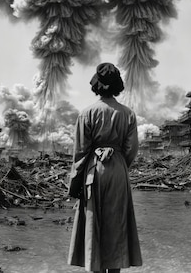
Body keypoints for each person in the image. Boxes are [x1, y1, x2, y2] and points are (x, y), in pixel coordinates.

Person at [67, 62, 142, 273]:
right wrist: (118, 164)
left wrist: (74, 186)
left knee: (94, 224)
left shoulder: (87, 114)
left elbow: (80, 153)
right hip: (118, 171)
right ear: (117, 85)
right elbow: (132, 149)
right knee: (117, 226)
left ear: (96, 85)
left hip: (94, 172)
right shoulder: (128, 114)